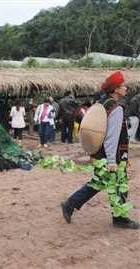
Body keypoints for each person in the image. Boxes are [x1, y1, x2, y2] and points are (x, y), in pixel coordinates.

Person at [61, 71, 139, 229]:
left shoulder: (102, 103)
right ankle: (120, 219)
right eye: (123, 85)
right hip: (113, 154)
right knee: (119, 183)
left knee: (100, 181)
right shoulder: (116, 107)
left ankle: (71, 203)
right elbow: (112, 135)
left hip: (99, 152)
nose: (125, 88)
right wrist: (111, 159)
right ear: (116, 89)